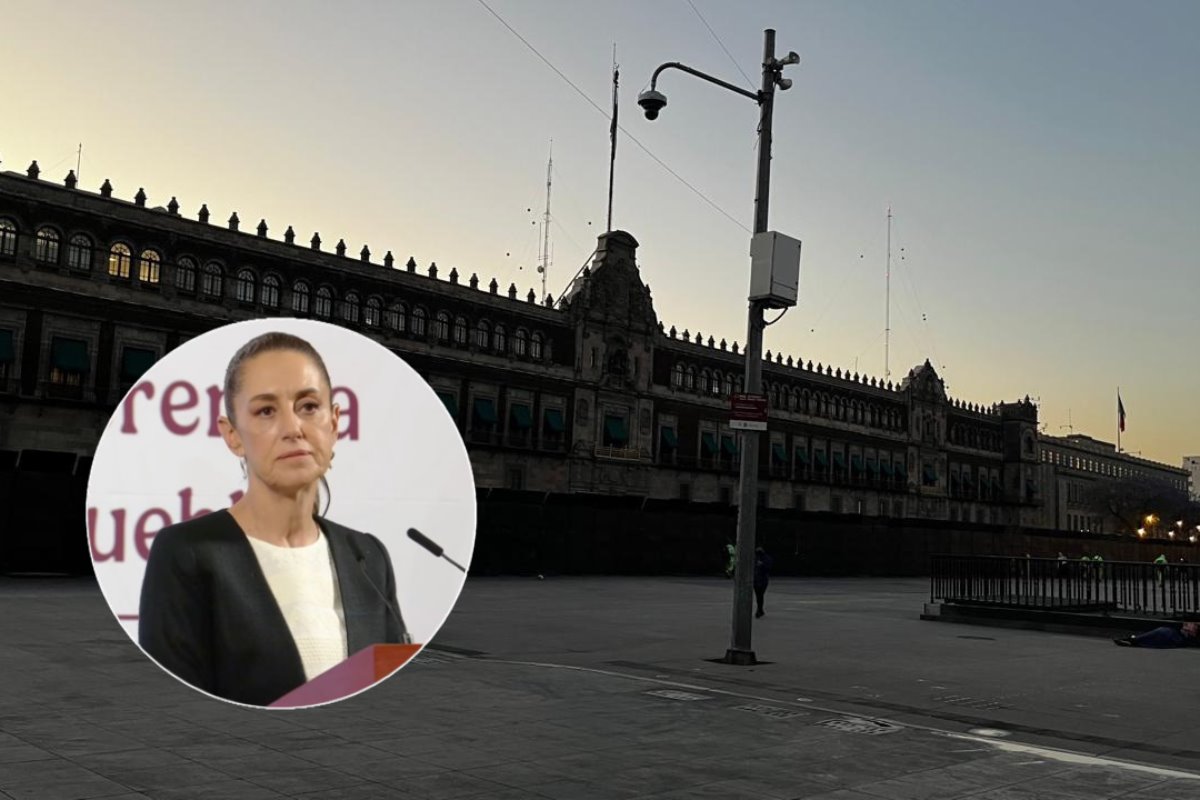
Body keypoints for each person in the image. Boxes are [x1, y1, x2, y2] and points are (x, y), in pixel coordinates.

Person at [138, 331, 410, 706]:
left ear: (334, 423)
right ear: (232, 435)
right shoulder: (186, 553)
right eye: (266, 410)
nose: (293, 428)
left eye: (309, 406)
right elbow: (174, 707)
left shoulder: (369, 555)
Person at [1114, 622, 1199, 648]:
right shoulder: (1181, 628)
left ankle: (1132, 640)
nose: (1187, 623)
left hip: (1177, 638)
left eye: (1193, 624)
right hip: (1175, 636)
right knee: (1156, 640)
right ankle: (1133, 641)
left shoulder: (1190, 635)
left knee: (1161, 632)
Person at [753, 546, 773, 618]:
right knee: (759, 596)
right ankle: (760, 610)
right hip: (756, 580)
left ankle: (759, 610)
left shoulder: (766, 558)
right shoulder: (754, 558)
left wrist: (762, 565)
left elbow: (769, 567)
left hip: (763, 580)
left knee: (760, 595)